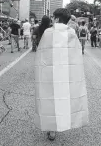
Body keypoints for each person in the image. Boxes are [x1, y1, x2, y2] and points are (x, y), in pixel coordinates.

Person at [34, 8, 88, 141]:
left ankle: (51, 129)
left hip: (50, 72)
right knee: (62, 99)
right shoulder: (71, 33)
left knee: (49, 98)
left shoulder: (48, 32)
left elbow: (42, 53)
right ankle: (59, 125)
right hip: (65, 73)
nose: (52, 19)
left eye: (53, 17)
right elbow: (75, 54)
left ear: (57, 19)